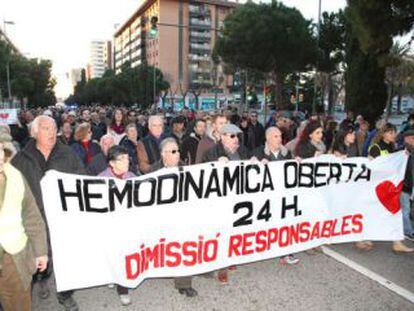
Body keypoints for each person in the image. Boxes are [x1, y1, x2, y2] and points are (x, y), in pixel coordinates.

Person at [11, 115, 85, 311]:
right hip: (35, 220)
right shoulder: (21, 159)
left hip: (63, 217)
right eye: (45, 128)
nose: (52, 132)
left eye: (53, 128)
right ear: (34, 132)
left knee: (67, 256)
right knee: (40, 256)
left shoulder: (67, 154)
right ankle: (42, 281)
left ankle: (65, 294)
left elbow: (82, 179)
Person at [0, 137, 48, 311]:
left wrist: (40, 250)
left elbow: (31, 215)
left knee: (19, 304)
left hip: (13, 257)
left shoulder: (14, 176)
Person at [149, 138, 198, 297]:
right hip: (160, 217)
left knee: (184, 247)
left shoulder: (187, 169)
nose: (177, 154)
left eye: (178, 150)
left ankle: (183, 284)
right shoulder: (152, 171)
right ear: (163, 154)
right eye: (173, 151)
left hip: (183, 217)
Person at [202, 124, 251, 284]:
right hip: (220, 201)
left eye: (237, 136)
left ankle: (231, 258)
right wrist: (216, 165)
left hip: (239, 198)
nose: (236, 139)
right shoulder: (211, 153)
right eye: (232, 136)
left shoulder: (242, 151)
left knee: (235, 231)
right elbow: (202, 177)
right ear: (222, 137)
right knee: (222, 233)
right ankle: (221, 267)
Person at [358, 123, 413, 252]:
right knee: (373, 212)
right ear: (383, 134)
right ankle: (363, 237)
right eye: (390, 132)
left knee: (394, 212)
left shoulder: (393, 148)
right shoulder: (375, 147)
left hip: (389, 187)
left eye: (394, 132)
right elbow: (371, 167)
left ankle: (396, 242)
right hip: (376, 187)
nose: (393, 135)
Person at [252, 127, 300, 265]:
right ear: (267, 138)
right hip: (265, 198)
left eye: (280, 136)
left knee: (285, 224)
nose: (279, 139)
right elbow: (248, 171)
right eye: (275, 136)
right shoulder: (258, 152)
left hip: (283, 197)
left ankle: (286, 253)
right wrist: (256, 164)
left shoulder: (287, 154)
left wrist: (297, 163)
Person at [98, 146, 135, 306]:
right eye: (122, 159)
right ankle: (111, 275)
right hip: (109, 225)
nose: (127, 162)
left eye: (127, 158)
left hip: (127, 225)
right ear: (112, 163)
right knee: (112, 254)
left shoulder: (133, 177)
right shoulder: (101, 179)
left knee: (124, 256)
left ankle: (123, 289)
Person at [400, 126, 414, 240]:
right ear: (406, 139)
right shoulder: (401, 152)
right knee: (405, 209)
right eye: (411, 138)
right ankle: (408, 231)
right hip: (405, 185)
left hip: (410, 185)